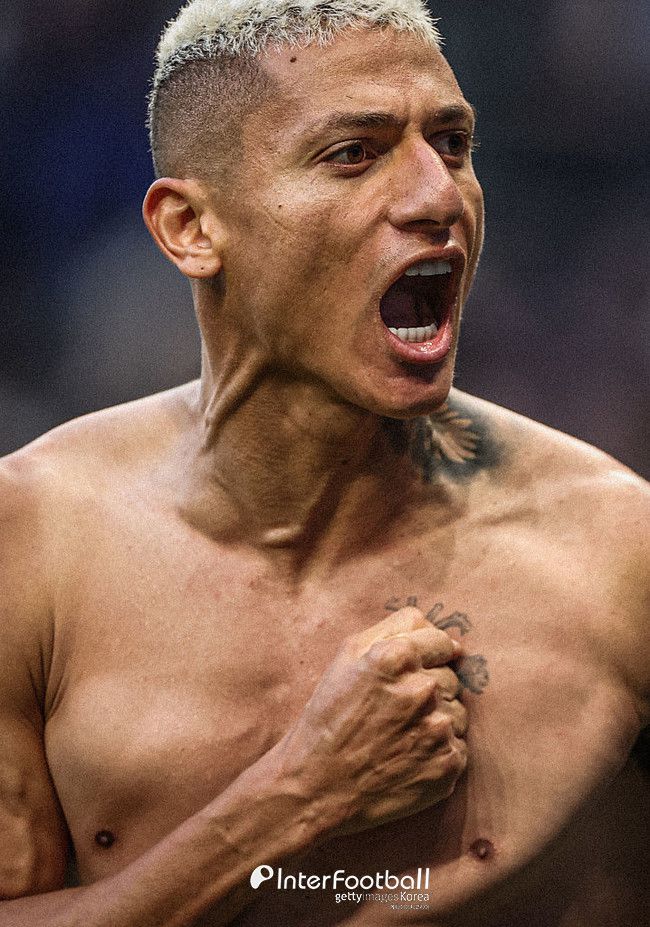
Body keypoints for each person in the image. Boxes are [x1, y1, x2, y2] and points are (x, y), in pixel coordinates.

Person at [0, 0, 648, 924]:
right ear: (191, 227)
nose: (438, 196)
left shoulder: (621, 553)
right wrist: (297, 797)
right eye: (354, 153)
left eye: (453, 144)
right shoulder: (30, 545)